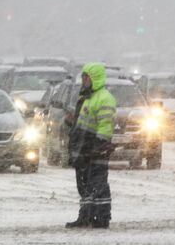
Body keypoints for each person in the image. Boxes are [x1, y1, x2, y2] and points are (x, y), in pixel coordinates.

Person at [65, 63, 116, 229]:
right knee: (84, 184)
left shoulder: (104, 98)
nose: (84, 81)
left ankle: (101, 217)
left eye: (86, 77)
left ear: (95, 78)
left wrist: (99, 146)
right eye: (83, 77)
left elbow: (105, 125)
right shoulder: (87, 97)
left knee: (98, 183)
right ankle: (85, 215)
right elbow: (82, 122)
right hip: (85, 148)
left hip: (96, 148)